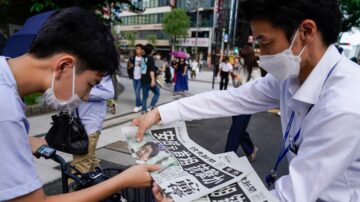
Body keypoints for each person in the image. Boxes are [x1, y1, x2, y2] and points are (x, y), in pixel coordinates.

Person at [133, 0, 360, 201]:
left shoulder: (344, 107)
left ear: (306, 31)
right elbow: (231, 99)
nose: (262, 54)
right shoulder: (290, 76)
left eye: (266, 43)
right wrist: (160, 113)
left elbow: (291, 196)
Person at [0, 7, 159, 202]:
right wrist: (121, 181)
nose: (85, 96)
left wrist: (20, 139)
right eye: (90, 84)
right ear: (64, 66)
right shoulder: (6, 111)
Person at [225, 46, 262, 162]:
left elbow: (253, 88)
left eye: (241, 56)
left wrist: (240, 79)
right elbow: (237, 86)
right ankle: (251, 150)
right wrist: (234, 78)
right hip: (237, 102)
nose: (239, 58)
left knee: (235, 131)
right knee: (240, 129)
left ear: (247, 57)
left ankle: (227, 157)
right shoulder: (241, 67)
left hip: (247, 104)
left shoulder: (256, 70)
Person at [71, 76, 114, 173]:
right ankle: (98, 182)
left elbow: (109, 93)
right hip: (79, 125)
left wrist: (82, 92)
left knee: (80, 165)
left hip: (88, 126)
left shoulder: (99, 68)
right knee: (90, 160)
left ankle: (76, 188)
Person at [141, 44, 160, 113]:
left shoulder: (142, 57)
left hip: (143, 80)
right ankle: (151, 106)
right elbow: (151, 71)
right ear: (151, 51)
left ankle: (143, 110)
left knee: (144, 96)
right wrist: (153, 80)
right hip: (149, 80)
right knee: (157, 93)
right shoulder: (151, 58)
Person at [128, 44, 144, 113]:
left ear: (142, 50)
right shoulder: (133, 58)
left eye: (138, 48)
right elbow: (129, 66)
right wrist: (130, 66)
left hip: (141, 78)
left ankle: (137, 106)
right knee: (136, 93)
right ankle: (140, 105)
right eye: (136, 48)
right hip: (134, 77)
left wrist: (134, 65)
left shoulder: (144, 58)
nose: (137, 50)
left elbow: (145, 66)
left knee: (137, 92)